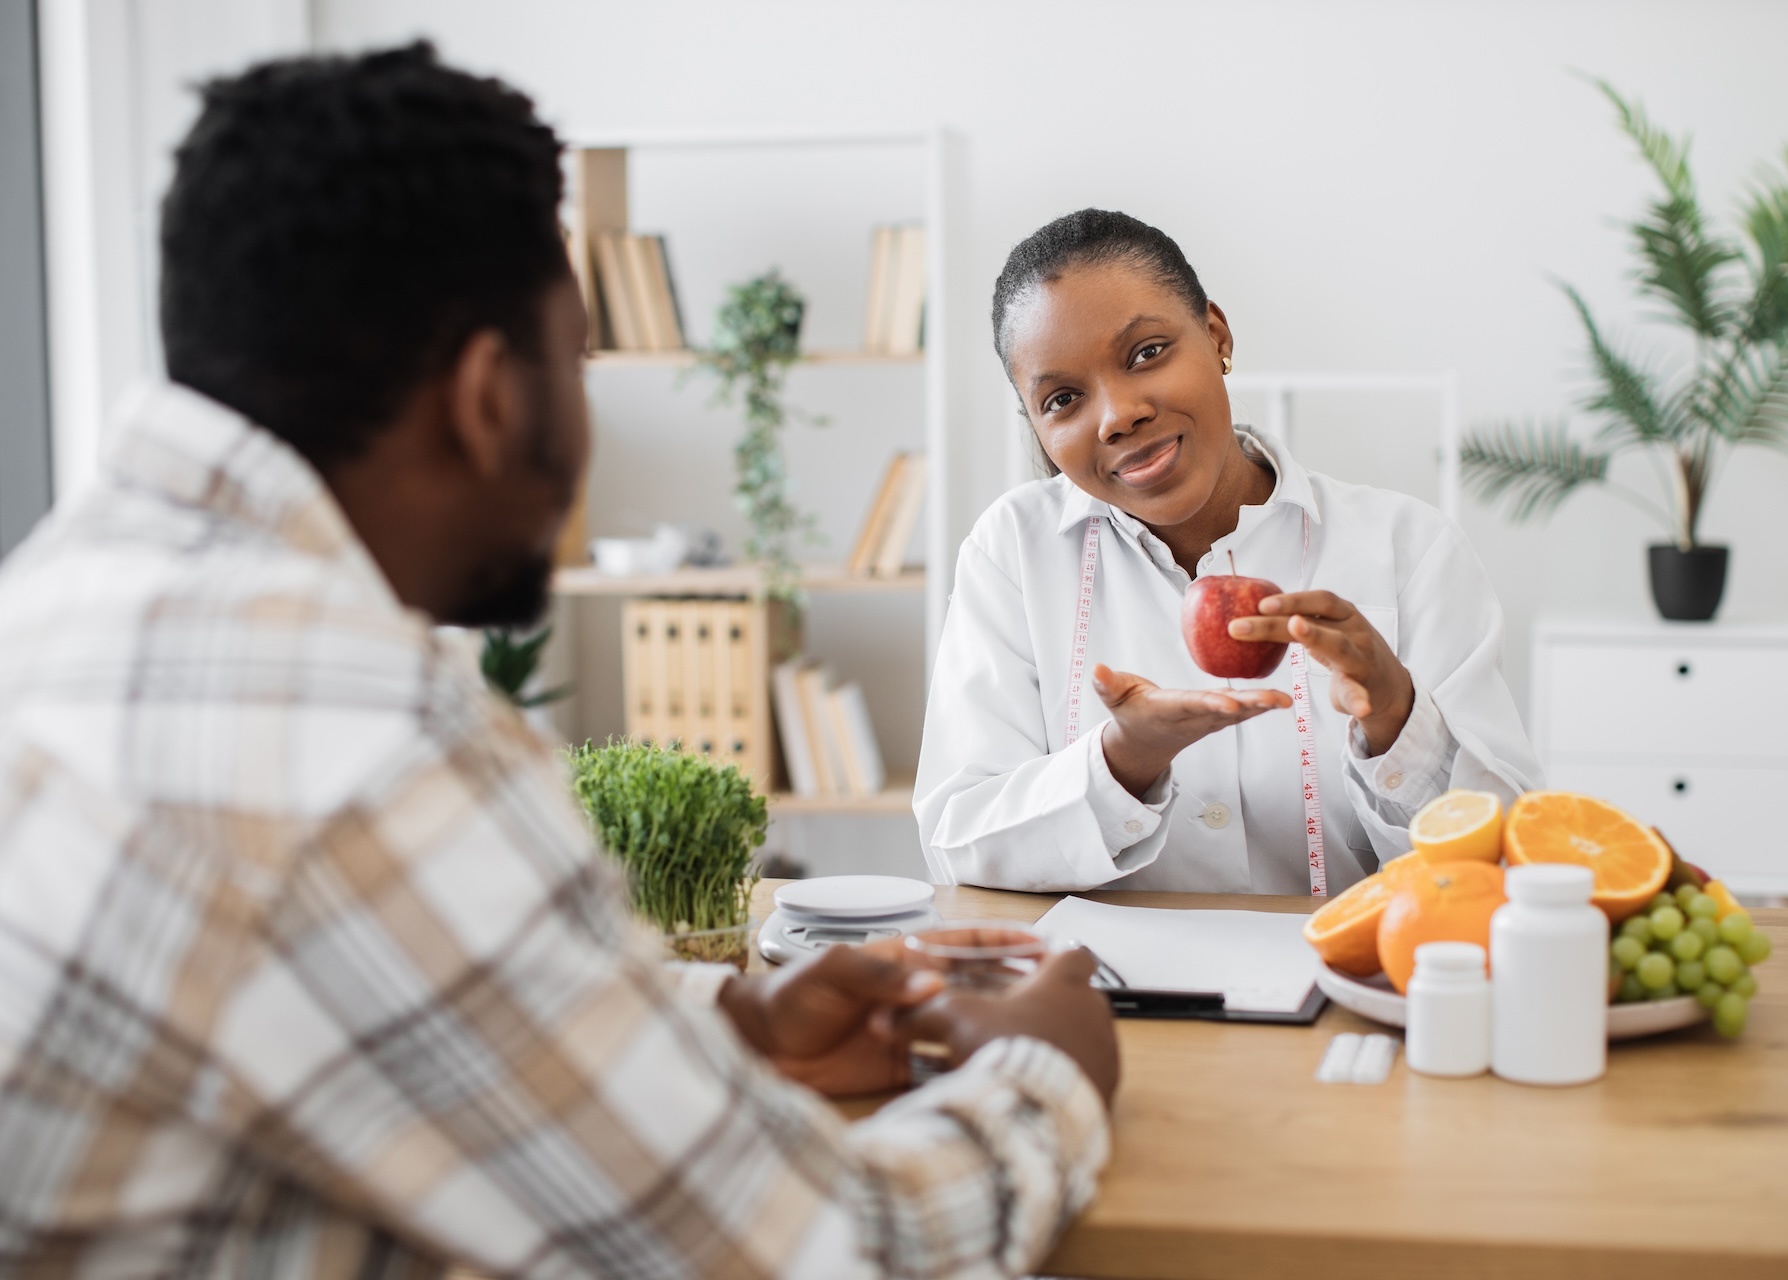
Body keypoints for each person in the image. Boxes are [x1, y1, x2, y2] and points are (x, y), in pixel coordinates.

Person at [0, 45, 1116, 1279]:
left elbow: (355, 1005)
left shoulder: (55, 605)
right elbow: (831, 1251)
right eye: (578, 360)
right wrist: (1049, 1072)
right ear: (488, 394)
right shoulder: (356, 741)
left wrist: (723, 1019)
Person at [916, 209, 1538, 895]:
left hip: (1339, 963)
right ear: (1037, 427)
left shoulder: (1408, 548)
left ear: (1216, 337)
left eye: (1146, 353)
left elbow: (1506, 857)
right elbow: (958, 841)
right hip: (1099, 971)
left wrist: (1396, 718)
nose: (1119, 414)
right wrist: (1124, 761)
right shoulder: (1011, 552)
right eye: (1063, 398)